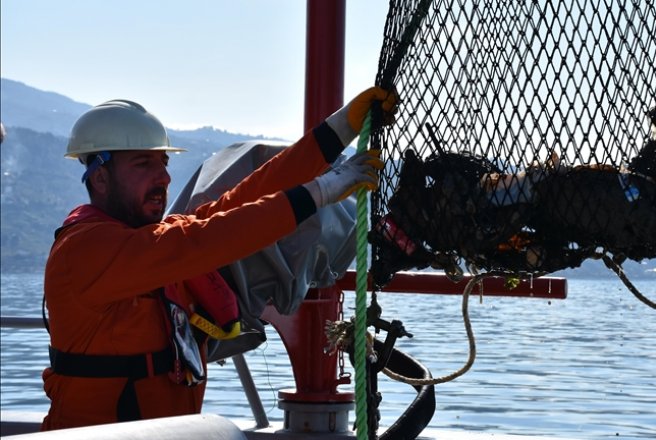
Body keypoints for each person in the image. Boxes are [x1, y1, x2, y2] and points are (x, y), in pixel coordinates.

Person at [40, 87, 397, 430]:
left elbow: (243, 200)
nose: (163, 177)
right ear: (100, 178)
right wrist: (320, 192)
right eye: (143, 164)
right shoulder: (85, 252)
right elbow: (206, 239)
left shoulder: (149, 240)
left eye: (163, 163)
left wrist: (339, 129)